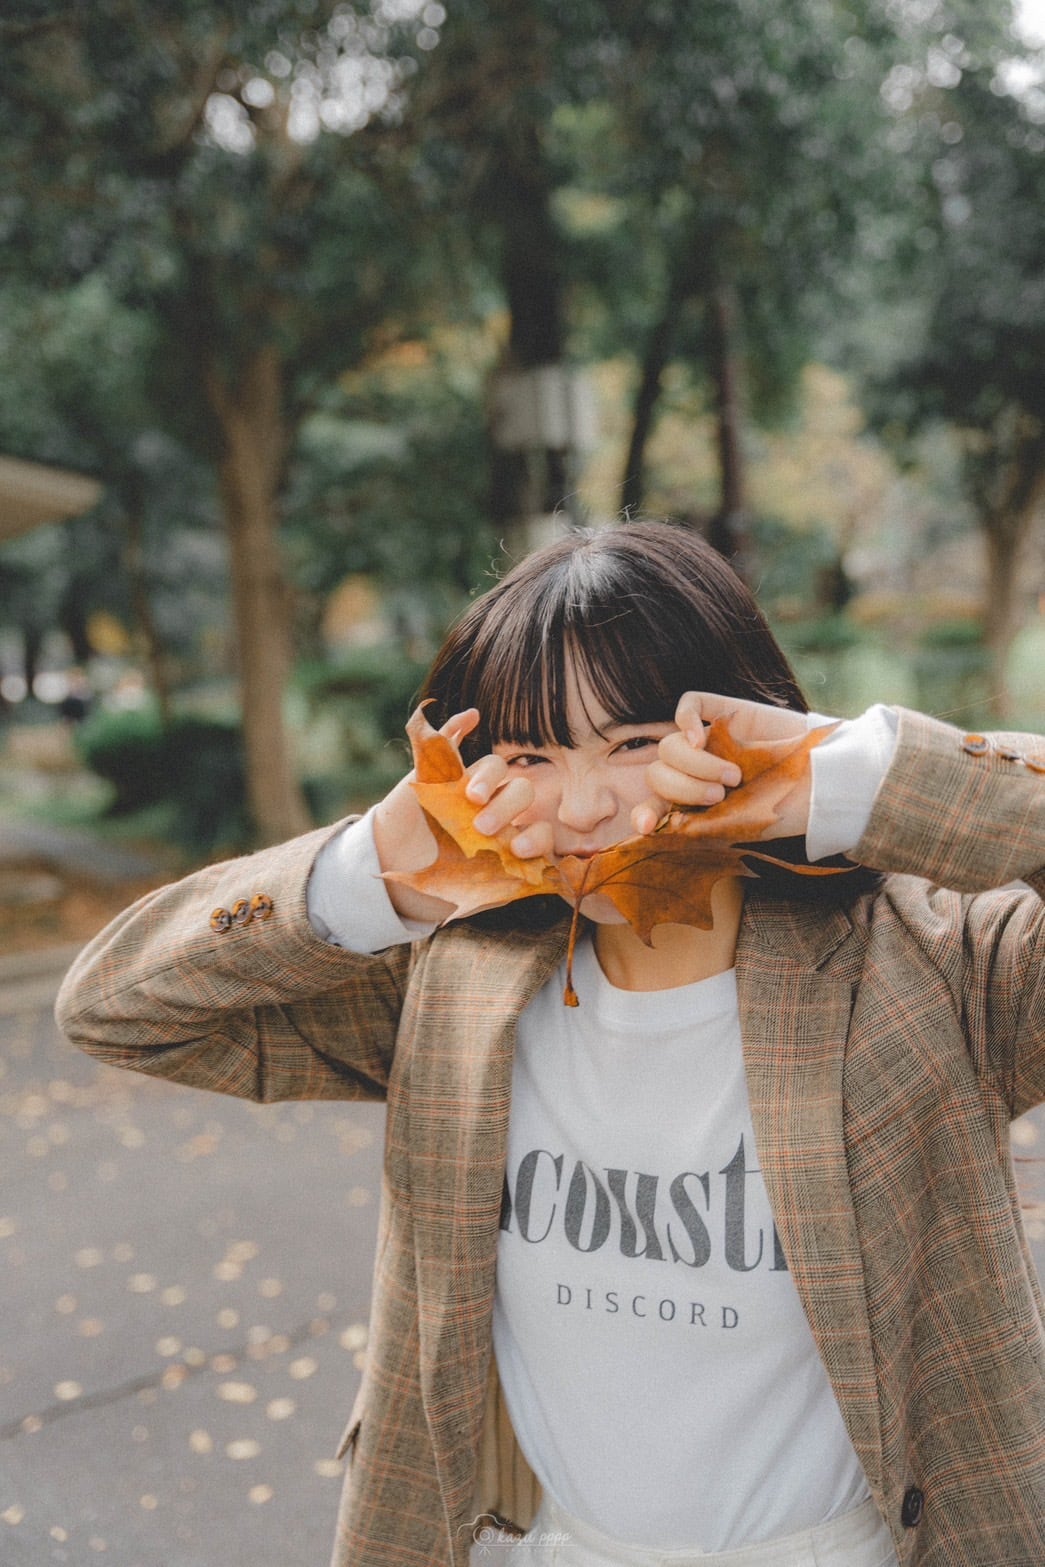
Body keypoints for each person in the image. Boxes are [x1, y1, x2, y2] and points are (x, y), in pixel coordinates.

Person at [56, 521, 1045, 1567]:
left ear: (739, 724)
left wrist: (838, 779)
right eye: (531, 756)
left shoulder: (928, 967)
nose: (582, 807)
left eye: (633, 744)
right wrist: (380, 866)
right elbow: (116, 1006)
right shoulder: (458, 983)